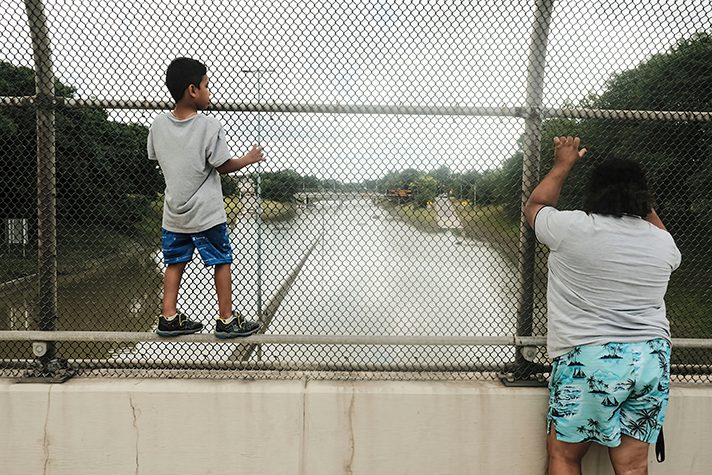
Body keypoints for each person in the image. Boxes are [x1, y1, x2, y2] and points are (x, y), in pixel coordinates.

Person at [525, 136, 681, 475]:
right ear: (644, 196)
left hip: (591, 357)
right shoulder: (663, 243)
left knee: (564, 456)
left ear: (594, 192)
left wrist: (562, 165)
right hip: (652, 360)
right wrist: (640, 198)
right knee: (632, 465)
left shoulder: (572, 228)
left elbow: (535, 206)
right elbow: (661, 233)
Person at [148, 57, 264, 339]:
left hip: (174, 213)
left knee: (174, 262)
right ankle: (226, 318)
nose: (209, 91)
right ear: (193, 90)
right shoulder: (209, 126)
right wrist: (249, 159)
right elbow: (222, 165)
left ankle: (169, 317)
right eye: (207, 85)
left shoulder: (158, 125)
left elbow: (154, 157)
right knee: (221, 261)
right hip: (207, 214)